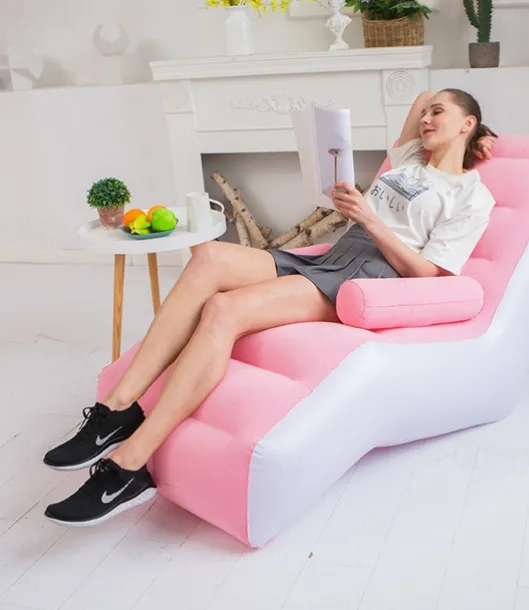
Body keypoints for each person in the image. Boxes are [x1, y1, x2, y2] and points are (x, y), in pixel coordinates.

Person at [42, 88, 498, 526]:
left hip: (371, 278)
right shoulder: (410, 158)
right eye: (428, 114)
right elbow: (420, 98)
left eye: (440, 113)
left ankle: (130, 463)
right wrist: (467, 127)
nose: (426, 118)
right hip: (337, 254)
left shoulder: (472, 196)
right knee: (208, 257)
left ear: (466, 122)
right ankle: (116, 408)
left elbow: (428, 274)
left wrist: (369, 217)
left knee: (224, 309)